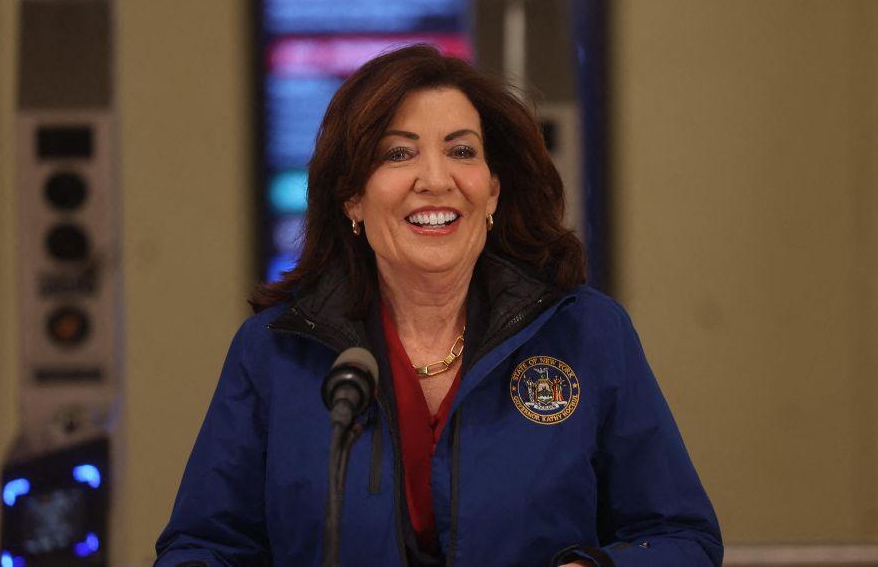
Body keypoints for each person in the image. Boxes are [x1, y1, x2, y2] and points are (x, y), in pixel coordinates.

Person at [155, 45, 721, 567]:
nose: (435, 179)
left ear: (492, 191)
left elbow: (683, 538)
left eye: (461, 151)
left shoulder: (587, 333)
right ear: (352, 197)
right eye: (399, 153)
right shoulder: (275, 350)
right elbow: (202, 548)